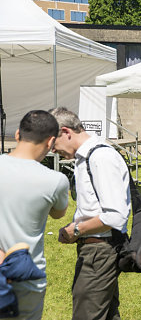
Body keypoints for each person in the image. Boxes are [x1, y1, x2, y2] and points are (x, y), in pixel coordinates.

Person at [49, 107, 130, 320]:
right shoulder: (87, 157)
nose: (53, 151)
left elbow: (115, 215)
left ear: (66, 132)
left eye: (53, 144)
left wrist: (75, 229)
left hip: (99, 252)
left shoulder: (100, 156)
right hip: (96, 250)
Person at [0, 110, 69, 319]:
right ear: (50, 143)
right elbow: (58, 214)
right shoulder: (56, 181)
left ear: (18, 134)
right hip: (28, 276)